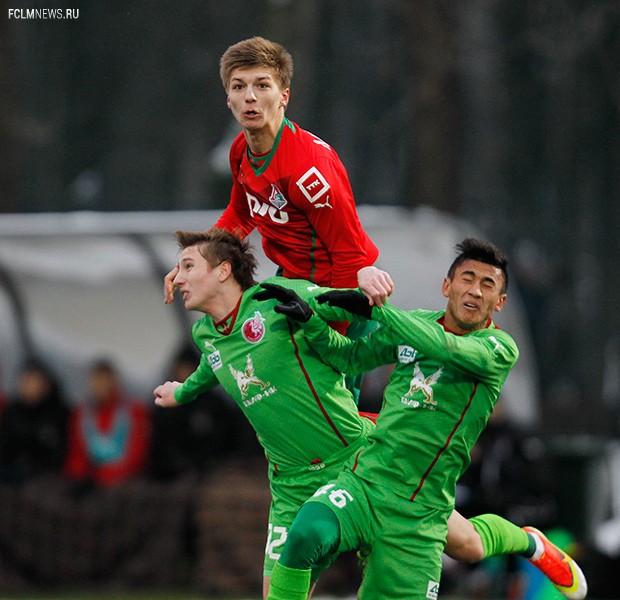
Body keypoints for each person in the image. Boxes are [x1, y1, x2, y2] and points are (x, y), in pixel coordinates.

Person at [155, 229, 585, 599]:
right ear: (446, 286)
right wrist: (312, 326)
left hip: (411, 495)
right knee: (304, 537)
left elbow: (443, 346)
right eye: (467, 279)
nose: (475, 290)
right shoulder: (206, 332)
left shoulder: (498, 347)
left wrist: (367, 298)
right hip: (358, 476)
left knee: (469, 545)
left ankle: (531, 544)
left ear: (500, 301)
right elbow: (349, 356)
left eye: (487, 285)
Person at [162, 36, 393, 335]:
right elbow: (242, 213)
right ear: (228, 99)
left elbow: (348, 255)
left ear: (284, 96)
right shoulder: (239, 151)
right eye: (238, 86)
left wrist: (330, 336)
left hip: (342, 299)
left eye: (261, 85)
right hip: (294, 291)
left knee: (325, 382)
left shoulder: (309, 170)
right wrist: (194, 260)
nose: (249, 97)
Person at [64, 358, 151, 488]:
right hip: (92, 481)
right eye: (96, 381)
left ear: (114, 382)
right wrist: (78, 476)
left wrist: (107, 476)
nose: (100, 386)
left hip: (125, 481)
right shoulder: (82, 414)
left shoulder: (133, 412)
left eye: (104, 380)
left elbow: (137, 455)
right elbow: (77, 453)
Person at [0, 358, 70, 484]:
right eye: (24, 380)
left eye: (32, 381)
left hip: (45, 478)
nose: (26, 385)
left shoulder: (58, 415)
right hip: (12, 473)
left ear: (45, 385)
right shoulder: (12, 411)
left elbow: (59, 455)